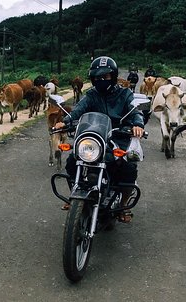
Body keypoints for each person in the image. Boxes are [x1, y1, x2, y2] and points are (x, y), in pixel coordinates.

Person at [54, 56, 145, 223]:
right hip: (94, 138)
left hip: (117, 138)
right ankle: (75, 195)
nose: (101, 80)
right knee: (73, 162)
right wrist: (65, 121)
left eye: (105, 77)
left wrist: (137, 124)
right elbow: (77, 110)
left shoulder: (124, 95)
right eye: (97, 77)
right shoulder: (91, 95)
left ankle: (124, 206)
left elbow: (135, 111)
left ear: (113, 76)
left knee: (128, 169)